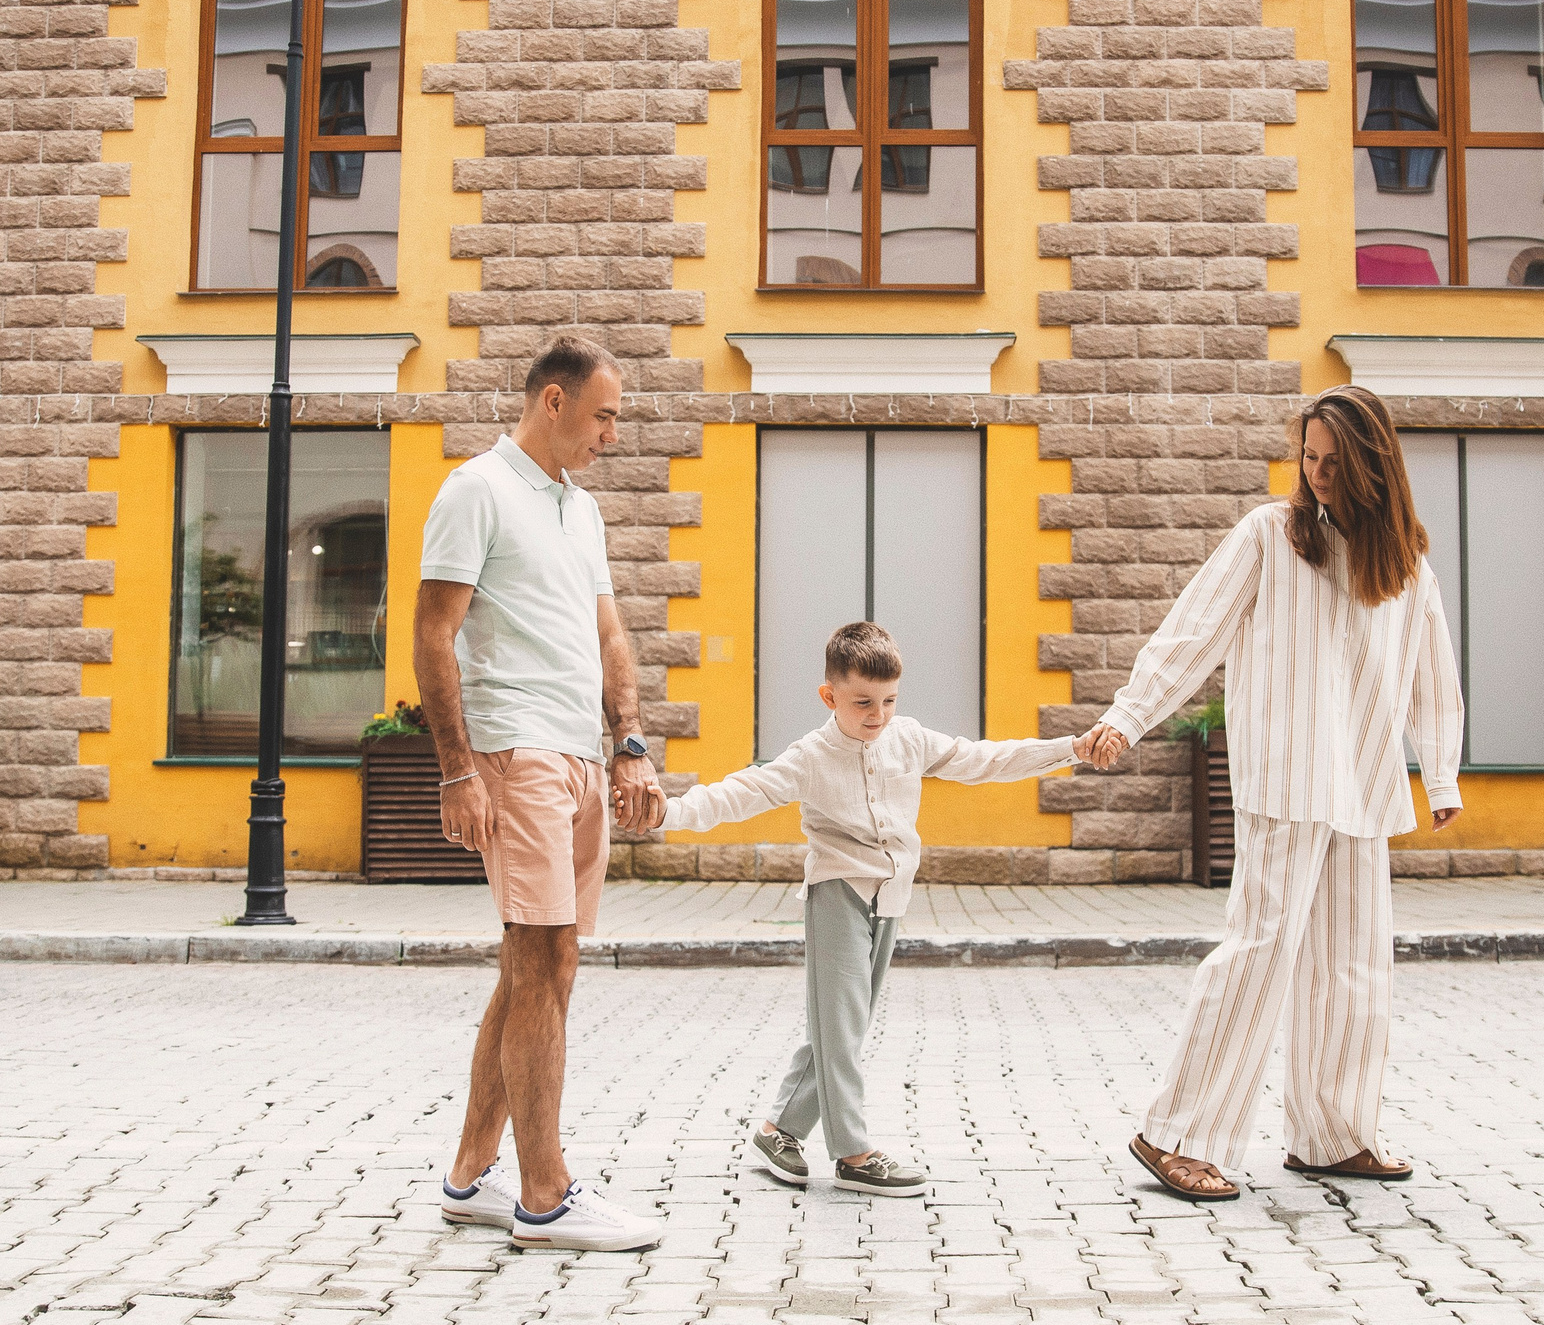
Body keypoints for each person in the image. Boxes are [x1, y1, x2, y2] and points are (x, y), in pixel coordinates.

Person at [1075, 385, 1464, 1203]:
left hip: (1362, 780)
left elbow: (1433, 671)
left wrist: (1443, 772)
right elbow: (1193, 632)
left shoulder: (1405, 563)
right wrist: (1128, 715)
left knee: (1354, 966)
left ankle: (1333, 1133)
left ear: (1372, 465)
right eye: (1309, 458)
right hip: (1284, 778)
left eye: (1334, 461)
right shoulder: (1268, 536)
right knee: (1259, 953)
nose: (1318, 474)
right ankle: (1175, 1132)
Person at [659, 621, 1079, 1197]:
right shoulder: (809, 756)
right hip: (838, 893)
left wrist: (1072, 749)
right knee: (841, 1026)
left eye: (888, 700)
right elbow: (740, 792)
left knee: (842, 1028)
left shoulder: (908, 739)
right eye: (862, 702)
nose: (877, 714)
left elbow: (984, 759)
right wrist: (668, 814)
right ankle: (853, 1153)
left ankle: (778, 1129)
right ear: (830, 697)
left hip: (892, 898)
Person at [416, 334, 669, 1252]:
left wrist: (629, 744)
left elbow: (610, 636)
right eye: (603, 415)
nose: (612, 433)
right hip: (515, 749)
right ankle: (545, 1194)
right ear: (552, 403)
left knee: (537, 964)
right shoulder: (474, 489)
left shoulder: (584, 511)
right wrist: (455, 767)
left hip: (582, 758)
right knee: (545, 957)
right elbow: (433, 636)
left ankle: (471, 1175)